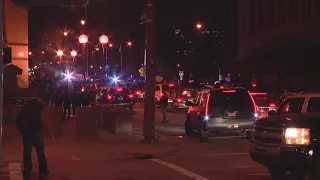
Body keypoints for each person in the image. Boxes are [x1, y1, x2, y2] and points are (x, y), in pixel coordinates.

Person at [16, 98, 49, 177]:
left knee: (27, 153)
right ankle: (43, 170)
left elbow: (19, 122)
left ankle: (27, 170)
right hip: (37, 134)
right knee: (40, 152)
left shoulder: (24, 111)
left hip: (27, 135)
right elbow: (39, 122)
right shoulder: (38, 110)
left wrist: (25, 132)